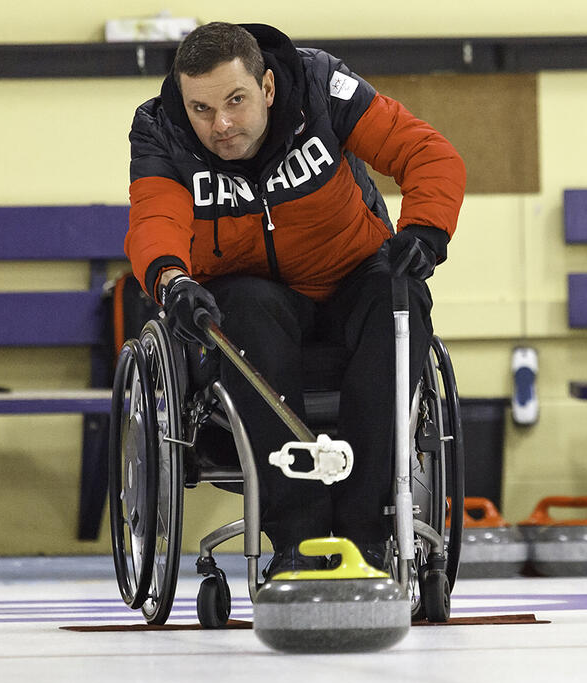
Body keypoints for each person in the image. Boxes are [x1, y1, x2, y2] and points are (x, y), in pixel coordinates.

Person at [123, 22, 465, 577]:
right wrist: (171, 281)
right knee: (244, 311)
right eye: (202, 109)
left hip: (352, 274)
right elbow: (155, 219)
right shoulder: (160, 129)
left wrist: (426, 231)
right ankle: (295, 544)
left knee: (398, 297)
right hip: (250, 296)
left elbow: (427, 153)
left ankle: (369, 535)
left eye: (236, 100)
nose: (221, 125)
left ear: (269, 88)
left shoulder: (320, 86)